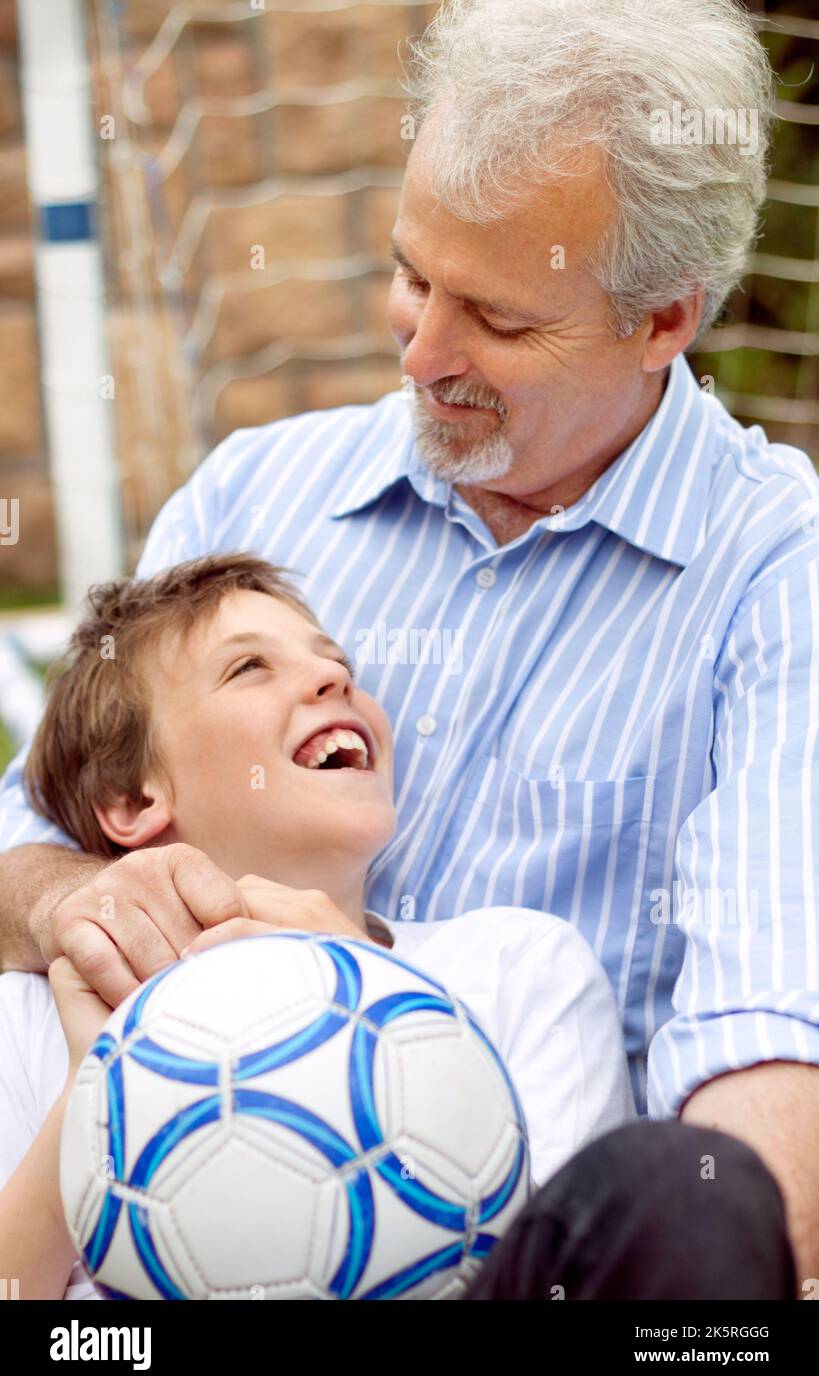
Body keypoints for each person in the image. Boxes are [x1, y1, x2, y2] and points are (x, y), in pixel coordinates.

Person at [1, 0, 817, 1293]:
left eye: (495, 319)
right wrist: (79, 907)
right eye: (410, 273)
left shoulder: (778, 574)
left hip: (524, 1249)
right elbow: (29, 840)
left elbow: (763, 1059)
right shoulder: (253, 493)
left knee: (684, 1197)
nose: (422, 350)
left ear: (663, 319)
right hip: (154, 1249)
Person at [0, 552, 635, 1299]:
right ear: (132, 802)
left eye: (338, 664)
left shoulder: (516, 969)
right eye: (248, 670)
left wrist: (364, 993)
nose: (336, 679)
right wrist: (90, 1099)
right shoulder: (39, 1014)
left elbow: (552, 1281)